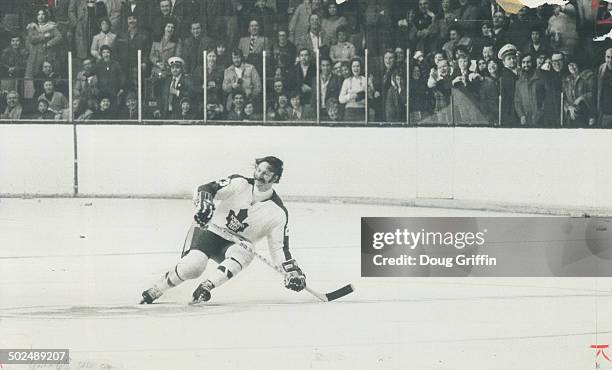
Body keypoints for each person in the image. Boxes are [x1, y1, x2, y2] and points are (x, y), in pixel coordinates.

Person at [140, 156, 306, 304]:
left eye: (266, 173)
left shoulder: (278, 212)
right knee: (193, 266)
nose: (259, 175)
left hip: (236, 244)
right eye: (258, 170)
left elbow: (279, 248)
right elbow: (207, 188)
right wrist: (205, 205)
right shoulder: (239, 183)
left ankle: (206, 287)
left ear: (275, 178)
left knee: (246, 249)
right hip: (211, 231)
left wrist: (292, 273)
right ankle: (158, 288)